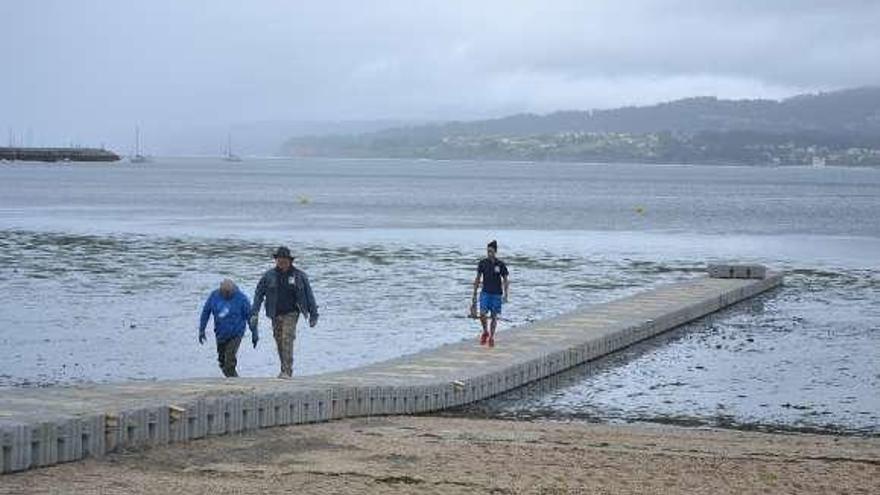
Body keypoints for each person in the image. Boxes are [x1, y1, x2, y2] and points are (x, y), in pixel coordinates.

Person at [250, 246, 319, 379]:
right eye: (279, 260)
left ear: (290, 261)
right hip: (274, 313)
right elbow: (258, 294)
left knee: (287, 339)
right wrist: (254, 313)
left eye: (284, 260)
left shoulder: (299, 275)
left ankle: (286, 371)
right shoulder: (268, 276)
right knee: (279, 341)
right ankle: (285, 368)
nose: (281, 263)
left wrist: (313, 315)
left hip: (292, 313)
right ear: (276, 260)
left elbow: (309, 295)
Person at [199, 279, 257, 377]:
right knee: (222, 363)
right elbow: (206, 312)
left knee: (229, 361)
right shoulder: (214, 296)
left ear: (234, 290)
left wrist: (254, 334)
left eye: (229, 293)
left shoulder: (241, 299)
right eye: (224, 293)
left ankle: (234, 383)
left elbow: (250, 317)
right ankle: (234, 379)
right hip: (220, 334)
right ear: (220, 290)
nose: (226, 295)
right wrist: (202, 330)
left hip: (236, 333)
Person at [471, 240, 509, 348]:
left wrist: (506, 295)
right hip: (485, 293)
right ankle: (485, 331)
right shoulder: (483, 263)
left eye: (491, 251)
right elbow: (478, 279)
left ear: (495, 252)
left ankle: (491, 337)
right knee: (482, 314)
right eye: (488, 251)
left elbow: (506, 280)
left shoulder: (500, 264)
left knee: (493, 316)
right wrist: (474, 294)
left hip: (496, 294)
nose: (489, 253)